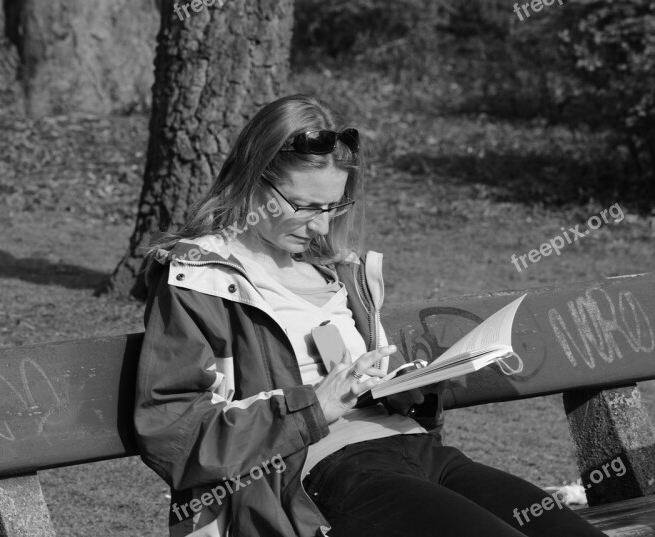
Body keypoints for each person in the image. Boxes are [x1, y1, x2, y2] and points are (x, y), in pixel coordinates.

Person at [133, 94, 605, 537]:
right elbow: (173, 434)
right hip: (320, 476)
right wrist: (313, 407)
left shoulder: (337, 270)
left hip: (418, 451)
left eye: (333, 206)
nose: (320, 225)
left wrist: (407, 388)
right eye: (303, 206)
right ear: (253, 179)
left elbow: (364, 380)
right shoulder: (198, 278)